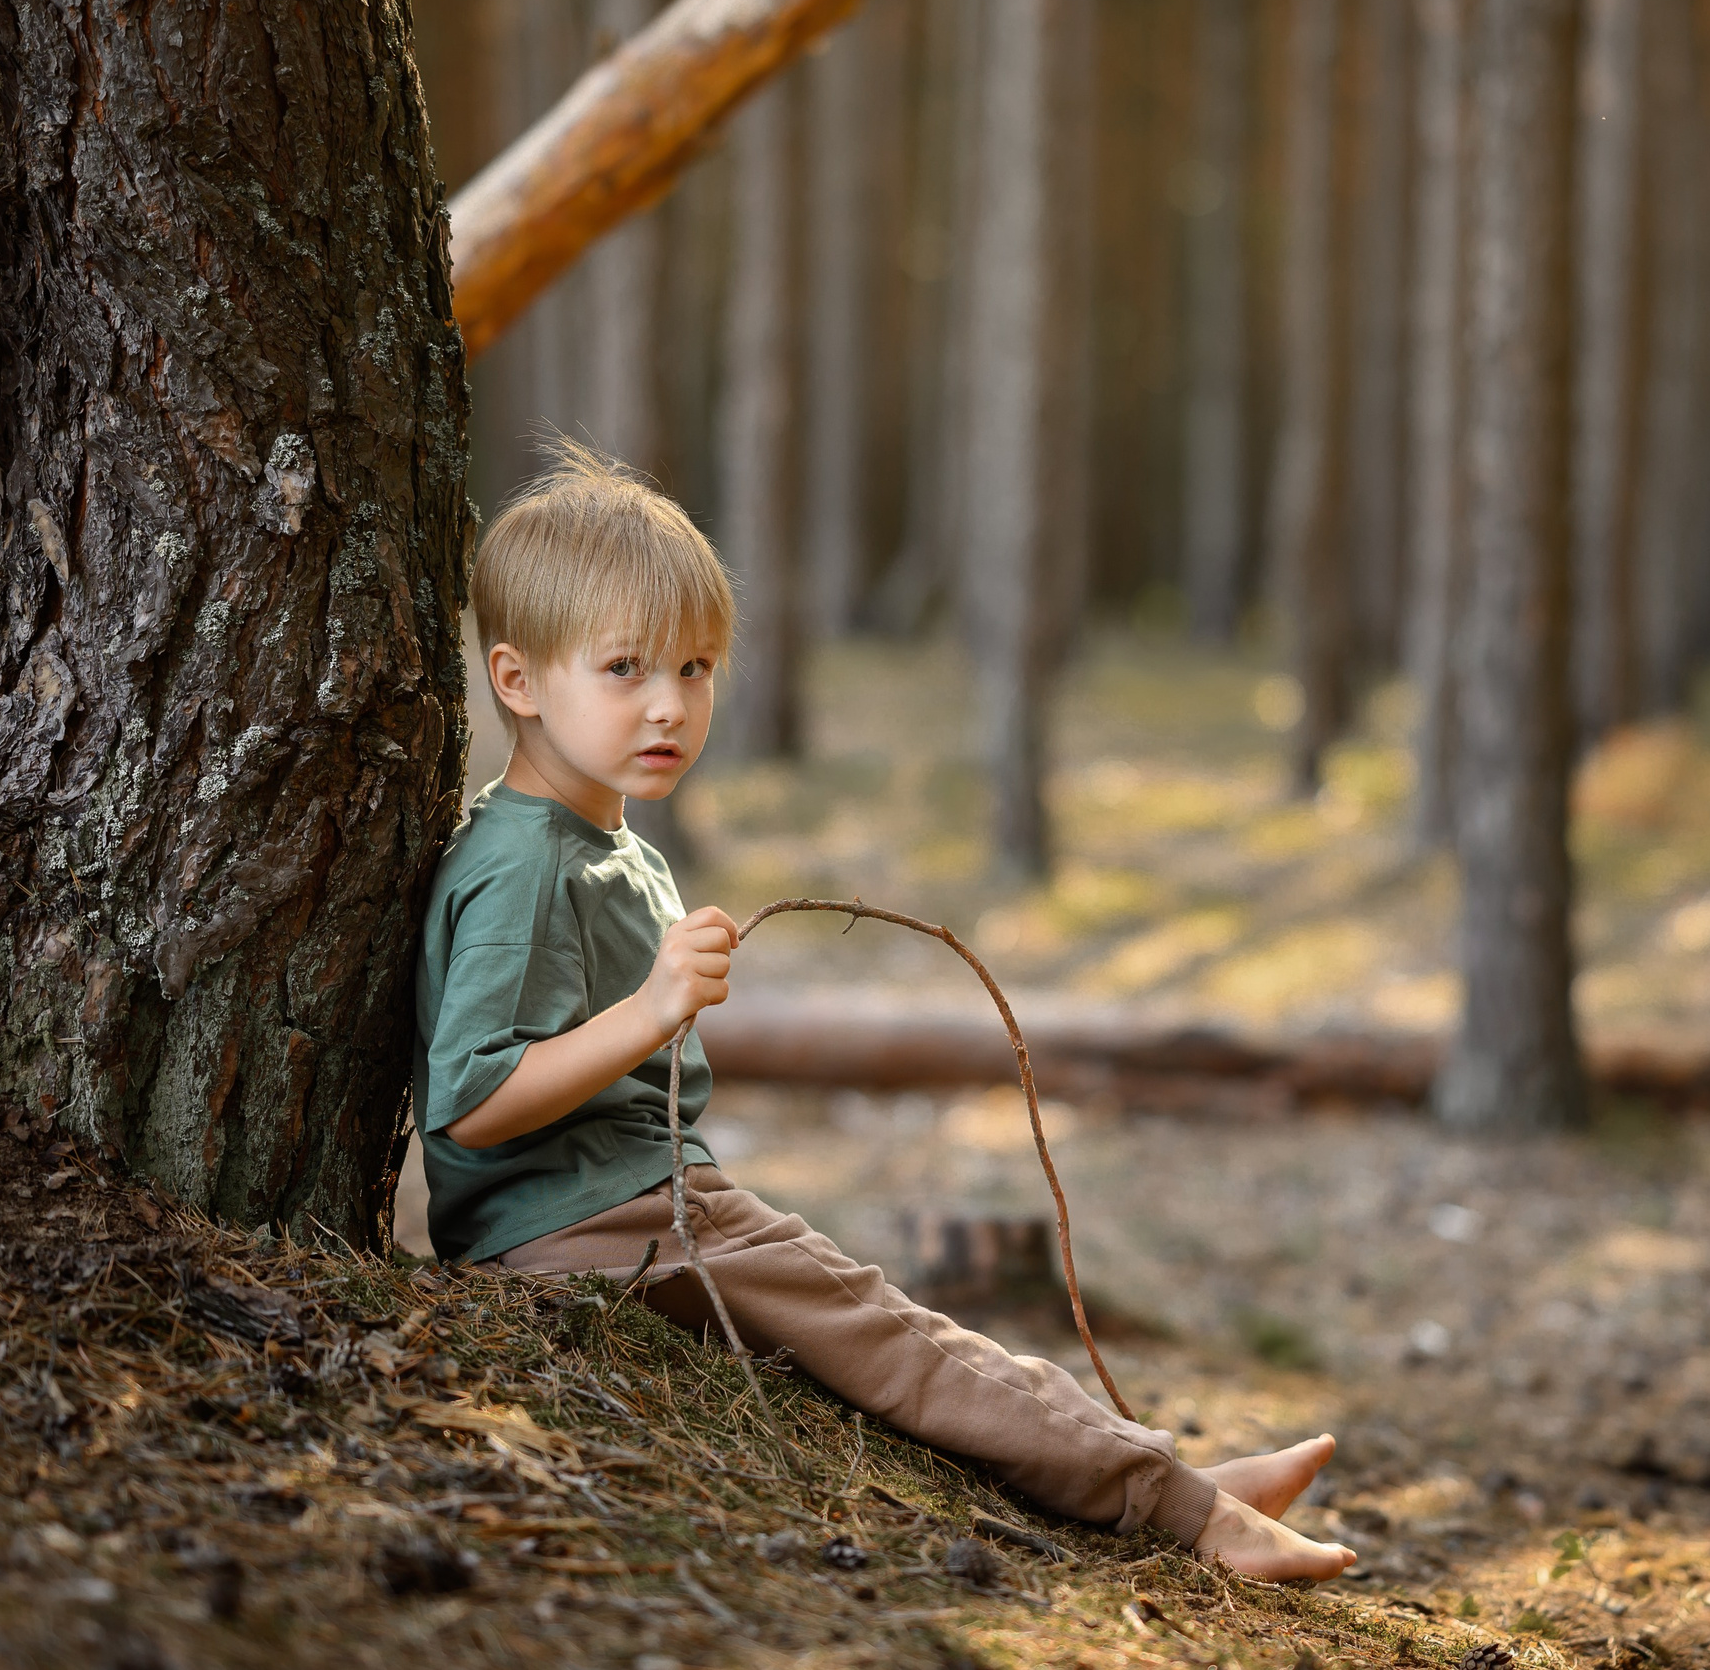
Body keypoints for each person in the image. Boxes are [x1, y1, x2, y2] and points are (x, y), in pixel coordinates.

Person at [415, 445, 1357, 1581]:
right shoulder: (524, 866)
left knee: (886, 1323)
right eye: (624, 667)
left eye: (695, 666)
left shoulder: (596, 841)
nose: (670, 703)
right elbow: (469, 1102)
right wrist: (653, 1007)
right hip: (580, 1221)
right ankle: (1193, 1513)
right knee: (889, 1336)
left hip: (628, 1200)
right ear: (517, 680)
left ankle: (1169, 1477)